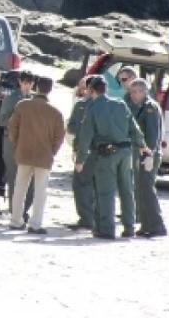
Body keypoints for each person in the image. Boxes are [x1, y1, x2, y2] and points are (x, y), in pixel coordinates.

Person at [75, 75, 152, 239]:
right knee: (126, 190)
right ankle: (129, 228)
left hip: (106, 154)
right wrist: (143, 145)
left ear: (91, 91)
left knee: (106, 192)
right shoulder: (120, 104)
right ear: (106, 89)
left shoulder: (93, 109)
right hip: (125, 153)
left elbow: (85, 136)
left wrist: (80, 160)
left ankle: (107, 230)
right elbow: (134, 127)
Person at [7, 76, 65, 233]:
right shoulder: (56, 112)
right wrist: (51, 151)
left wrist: (17, 144)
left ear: (36, 87)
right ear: (50, 90)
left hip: (24, 152)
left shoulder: (22, 105)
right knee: (40, 191)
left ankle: (15, 220)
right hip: (44, 155)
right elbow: (59, 138)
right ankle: (35, 224)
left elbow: (12, 128)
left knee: (20, 188)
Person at [129, 78, 168, 238]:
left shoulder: (150, 108)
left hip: (149, 154)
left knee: (147, 190)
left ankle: (157, 225)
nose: (131, 95)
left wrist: (149, 155)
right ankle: (146, 224)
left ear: (142, 91)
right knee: (141, 190)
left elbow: (152, 135)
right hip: (142, 154)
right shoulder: (141, 107)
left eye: (133, 92)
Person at [0, 71, 35, 215]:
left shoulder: (34, 99)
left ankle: (24, 209)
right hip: (11, 141)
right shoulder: (11, 98)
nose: (27, 86)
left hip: (29, 141)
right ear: (19, 82)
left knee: (30, 177)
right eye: (25, 82)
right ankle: (15, 210)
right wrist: (17, 119)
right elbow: (1, 121)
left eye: (30, 83)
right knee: (13, 176)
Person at [66, 75, 96, 230]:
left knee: (80, 184)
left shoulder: (81, 105)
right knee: (97, 185)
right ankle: (97, 217)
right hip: (103, 152)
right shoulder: (112, 105)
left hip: (84, 150)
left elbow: (71, 128)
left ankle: (86, 218)